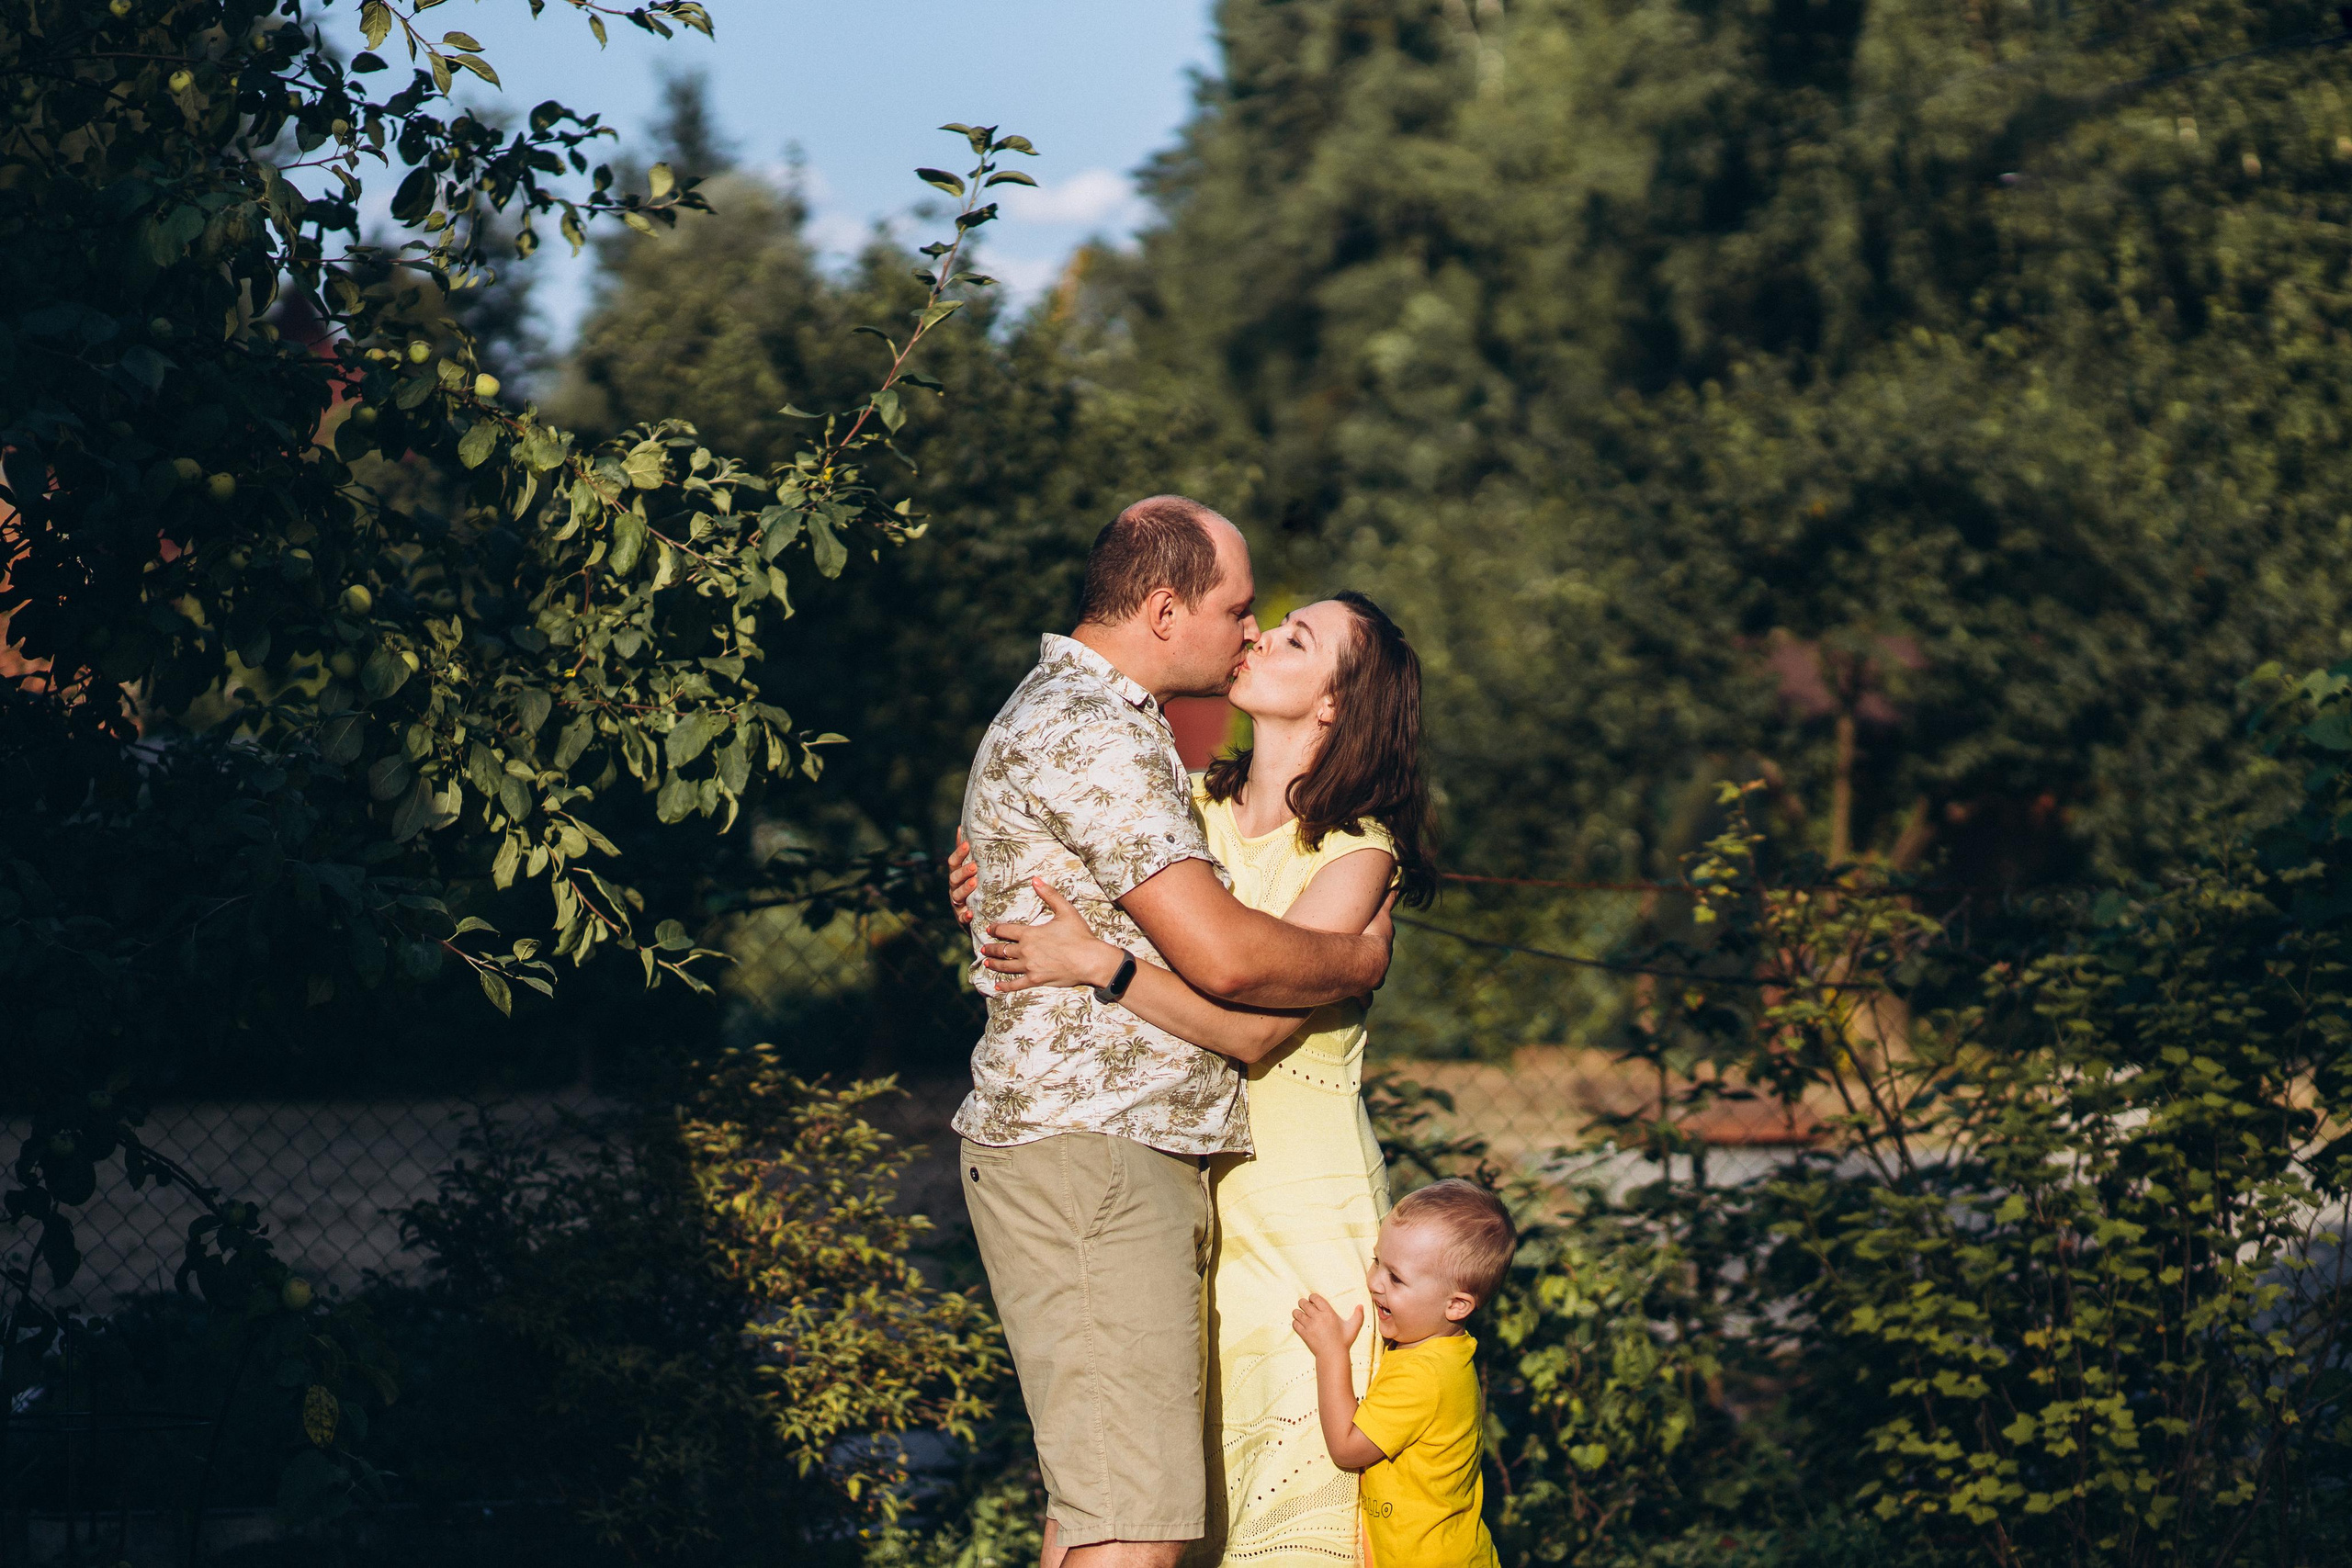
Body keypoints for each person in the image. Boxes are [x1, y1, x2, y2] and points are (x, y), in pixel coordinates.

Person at [954, 495, 1397, 1568]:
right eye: (1243, 610)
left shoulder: (1139, 745)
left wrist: (1010, 885)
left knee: (1117, 1508)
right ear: (1163, 611)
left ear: (1340, 705)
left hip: (1216, 1180)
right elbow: (1231, 967)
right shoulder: (1105, 735)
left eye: (1284, 631)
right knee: (1133, 1522)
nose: (1253, 629)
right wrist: (1354, 963)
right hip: (1099, 1146)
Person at [1292, 1179, 1514, 1568]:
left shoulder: (1425, 1376)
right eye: (1377, 1260)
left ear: (1456, 1305)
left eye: (1396, 1278)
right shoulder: (1440, 1351)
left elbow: (1347, 1448)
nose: (1373, 1280)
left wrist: (1331, 1352)